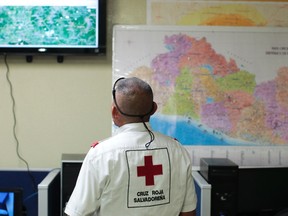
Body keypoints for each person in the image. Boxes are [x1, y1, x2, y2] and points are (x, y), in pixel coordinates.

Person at [64, 77, 197, 216]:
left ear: (114, 112)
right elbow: (188, 212)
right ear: (154, 109)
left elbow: (76, 213)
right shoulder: (178, 151)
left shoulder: (101, 155)